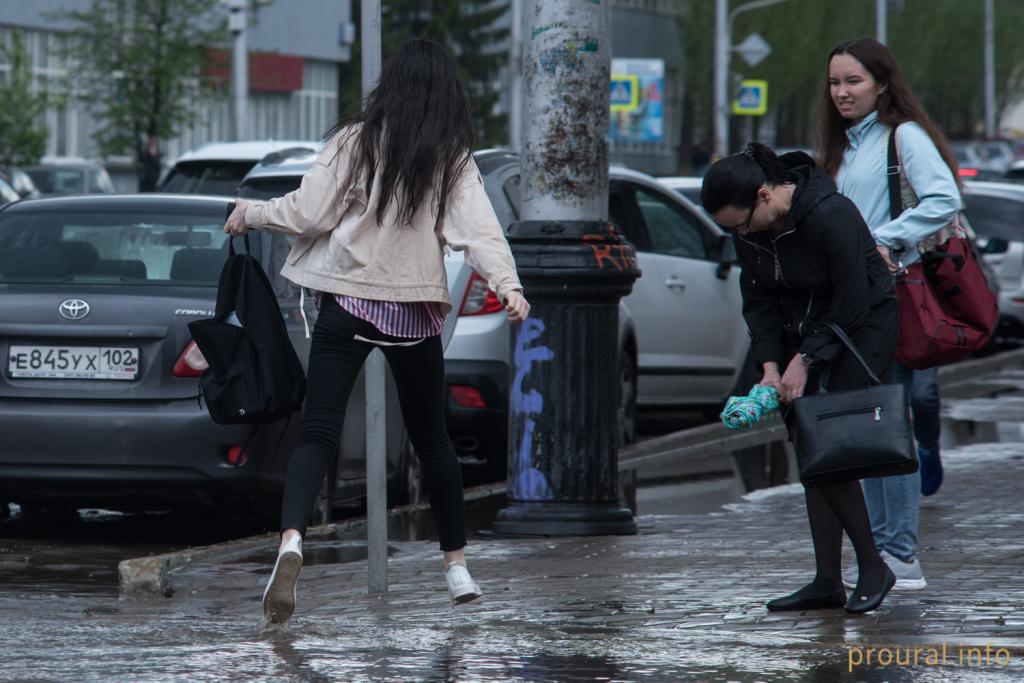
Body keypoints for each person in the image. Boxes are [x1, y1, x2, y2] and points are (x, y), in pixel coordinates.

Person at [223, 39, 530, 624]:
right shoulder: (452, 159)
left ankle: (291, 542)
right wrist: (508, 286)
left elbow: (307, 213)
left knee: (317, 433)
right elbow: (481, 233)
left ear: (388, 84)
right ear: (446, 91)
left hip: (347, 305)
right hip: (412, 312)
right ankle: (456, 566)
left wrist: (252, 211)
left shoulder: (353, 141)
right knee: (432, 439)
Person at [701, 142, 899, 615]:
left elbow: (852, 302)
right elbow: (759, 299)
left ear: (765, 195)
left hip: (861, 325)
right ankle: (827, 580)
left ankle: (874, 566)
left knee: (828, 446)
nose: (741, 234)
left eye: (743, 223)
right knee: (809, 449)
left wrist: (806, 360)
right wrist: (770, 365)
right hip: (802, 327)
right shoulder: (749, 228)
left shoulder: (830, 215)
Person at [820, 37, 961, 590]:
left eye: (853, 81)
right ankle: (883, 551)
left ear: (882, 83)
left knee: (888, 423)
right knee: (869, 425)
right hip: (857, 304)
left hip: (892, 297)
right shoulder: (846, 146)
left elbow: (944, 198)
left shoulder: (903, 136)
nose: (842, 92)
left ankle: (899, 552)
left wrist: (883, 239)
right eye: (834, 83)